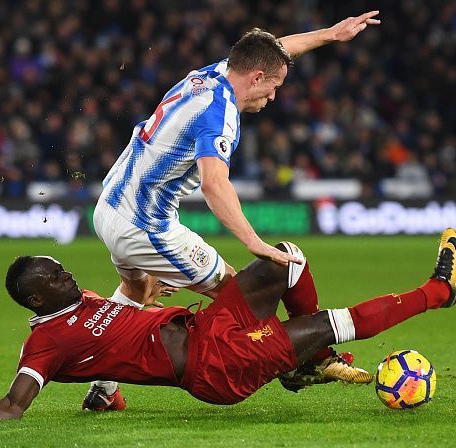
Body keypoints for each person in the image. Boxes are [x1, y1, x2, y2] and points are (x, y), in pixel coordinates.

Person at [91, 11, 381, 404]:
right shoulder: (219, 113)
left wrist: (330, 34)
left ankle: (103, 390)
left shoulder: (210, 74)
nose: (273, 96)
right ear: (256, 78)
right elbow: (214, 183)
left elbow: (274, 50)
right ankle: (300, 361)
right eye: (273, 86)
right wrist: (252, 241)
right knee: (237, 291)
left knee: (136, 289)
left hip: (109, 205)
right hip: (144, 225)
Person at [0, 228, 456, 423]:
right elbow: (16, 403)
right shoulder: (43, 342)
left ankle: (307, 364)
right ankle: (439, 292)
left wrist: (105, 394)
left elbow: (121, 320)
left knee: (284, 258)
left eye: (61, 266)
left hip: (208, 325)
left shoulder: (82, 301)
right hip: (216, 364)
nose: (66, 272)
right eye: (53, 275)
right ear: (34, 297)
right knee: (333, 323)